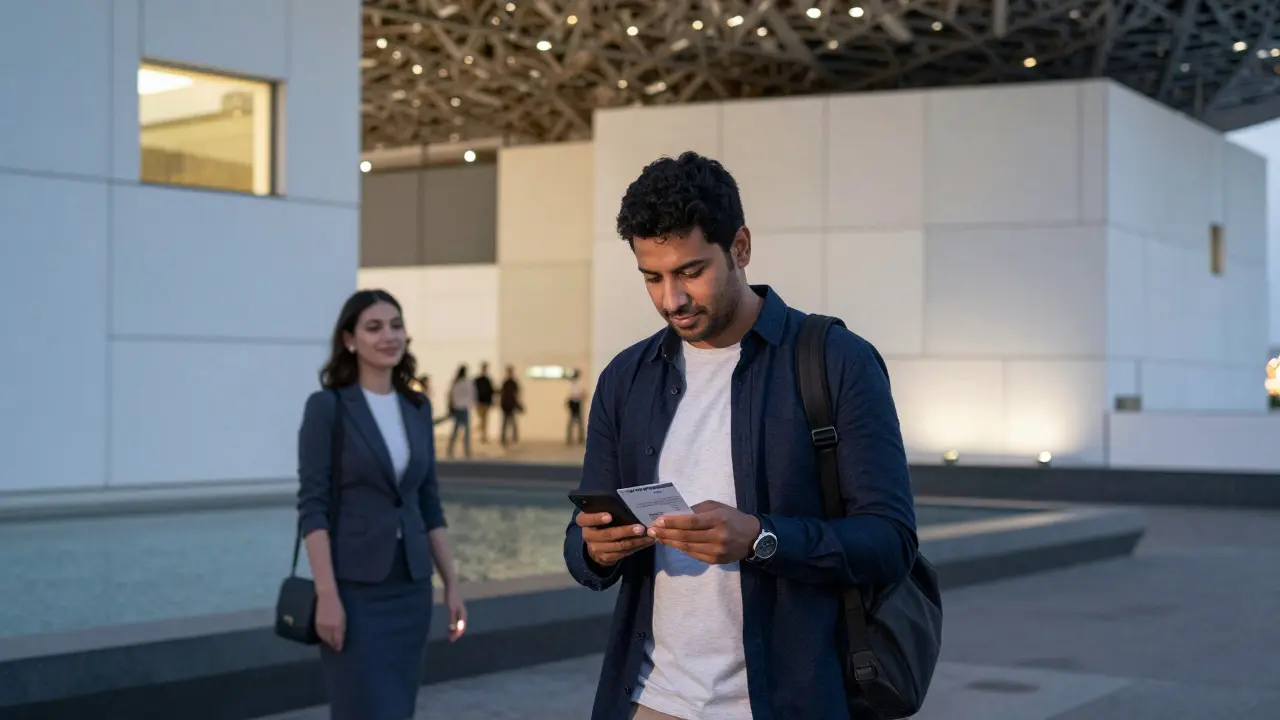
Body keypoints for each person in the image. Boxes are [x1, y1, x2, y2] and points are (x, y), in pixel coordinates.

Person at [562, 152, 918, 719]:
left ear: (741, 247)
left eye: (691, 271)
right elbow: (583, 544)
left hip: (789, 700)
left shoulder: (836, 361)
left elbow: (891, 542)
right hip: (652, 700)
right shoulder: (625, 379)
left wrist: (760, 538)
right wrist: (595, 549)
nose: (670, 299)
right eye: (652, 277)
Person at [297, 289, 467, 720]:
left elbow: (429, 502)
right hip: (352, 589)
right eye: (374, 327)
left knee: (397, 707)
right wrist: (327, 595)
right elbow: (312, 508)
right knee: (359, 708)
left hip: (410, 587)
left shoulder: (417, 407)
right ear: (349, 339)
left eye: (396, 325)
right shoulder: (327, 408)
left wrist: (451, 584)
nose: (388, 336)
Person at [447, 365, 474, 458]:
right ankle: (467, 451)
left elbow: (451, 395)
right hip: (464, 408)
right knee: (466, 432)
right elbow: (472, 394)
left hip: (457, 407)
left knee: (455, 431)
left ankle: (450, 450)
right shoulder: (467, 382)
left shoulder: (455, 382)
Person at [499, 365, 522, 447]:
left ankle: (511, 439)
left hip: (509, 405)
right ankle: (507, 439)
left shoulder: (509, 383)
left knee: (510, 423)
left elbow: (515, 395)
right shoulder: (508, 383)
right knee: (508, 423)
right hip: (508, 405)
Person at [473, 362, 495, 444]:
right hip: (480, 403)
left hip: (484, 403)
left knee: (484, 421)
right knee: (483, 421)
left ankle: (483, 436)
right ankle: (482, 435)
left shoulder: (485, 380)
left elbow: (491, 392)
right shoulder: (480, 380)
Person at [566, 370, 585, 445]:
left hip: (577, 402)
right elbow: (574, 394)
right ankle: (570, 438)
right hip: (574, 402)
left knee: (578, 421)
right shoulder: (573, 384)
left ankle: (580, 438)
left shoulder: (576, 383)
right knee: (573, 420)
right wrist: (581, 395)